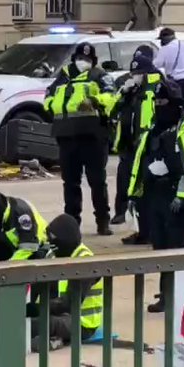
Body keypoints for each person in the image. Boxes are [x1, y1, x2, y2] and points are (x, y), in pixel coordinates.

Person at [127, 79, 184, 312]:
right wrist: (134, 196)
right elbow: (139, 163)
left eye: (163, 101)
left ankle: (180, 297)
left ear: (175, 103)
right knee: (162, 250)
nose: (158, 105)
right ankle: (167, 294)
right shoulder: (154, 129)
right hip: (156, 198)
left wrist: (183, 195)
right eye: (156, 101)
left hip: (178, 201)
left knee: (177, 251)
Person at [44, 42, 117, 235]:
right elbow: (49, 98)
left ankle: (103, 220)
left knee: (97, 181)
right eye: (79, 58)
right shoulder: (64, 76)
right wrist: (53, 107)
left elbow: (111, 97)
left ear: (93, 61)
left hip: (92, 135)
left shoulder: (100, 76)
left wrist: (95, 101)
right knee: (70, 182)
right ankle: (72, 222)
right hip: (67, 136)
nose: (82, 62)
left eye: (87, 59)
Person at [25, 214, 106, 350]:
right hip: (60, 313)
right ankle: (53, 338)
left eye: (54, 242)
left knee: (41, 324)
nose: (51, 247)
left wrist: (37, 309)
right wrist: (26, 305)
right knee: (23, 320)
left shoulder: (84, 262)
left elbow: (69, 303)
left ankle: (52, 339)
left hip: (82, 322)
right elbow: (39, 284)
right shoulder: (56, 255)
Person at [110, 46, 162, 244]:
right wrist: (123, 93)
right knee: (131, 189)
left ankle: (149, 232)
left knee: (147, 190)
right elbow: (112, 111)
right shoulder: (130, 90)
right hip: (129, 147)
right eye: (134, 73)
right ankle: (140, 230)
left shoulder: (158, 88)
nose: (136, 76)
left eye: (140, 73)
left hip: (149, 147)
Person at [0, 189, 48, 262]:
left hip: (35, 248)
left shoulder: (21, 214)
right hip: (8, 248)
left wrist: (9, 265)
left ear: (0, 211)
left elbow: (29, 245)